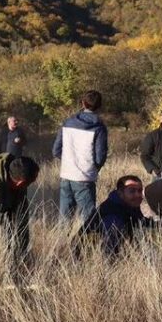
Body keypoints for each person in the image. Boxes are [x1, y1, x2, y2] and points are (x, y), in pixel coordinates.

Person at [53, 90, 107, 223]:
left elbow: (56, 150)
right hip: (85, 176)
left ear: (83, 103)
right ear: (99, 106)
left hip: (66, 175)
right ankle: (86, 244)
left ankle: (61, 243)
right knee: (88, 221)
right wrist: (93, 168)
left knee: (65, 219)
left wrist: (69, 161)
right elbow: (100, 157)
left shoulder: (68, 122)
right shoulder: (99, 127)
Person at [75, 175, 152, 257]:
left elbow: (140, 221)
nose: (137, 195)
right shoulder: (113, 216)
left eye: (139, 191)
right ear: (120, 193)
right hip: (87, 256)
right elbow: (109, 251)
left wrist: (160, 224)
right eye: (132, 191)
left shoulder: (129, 204)